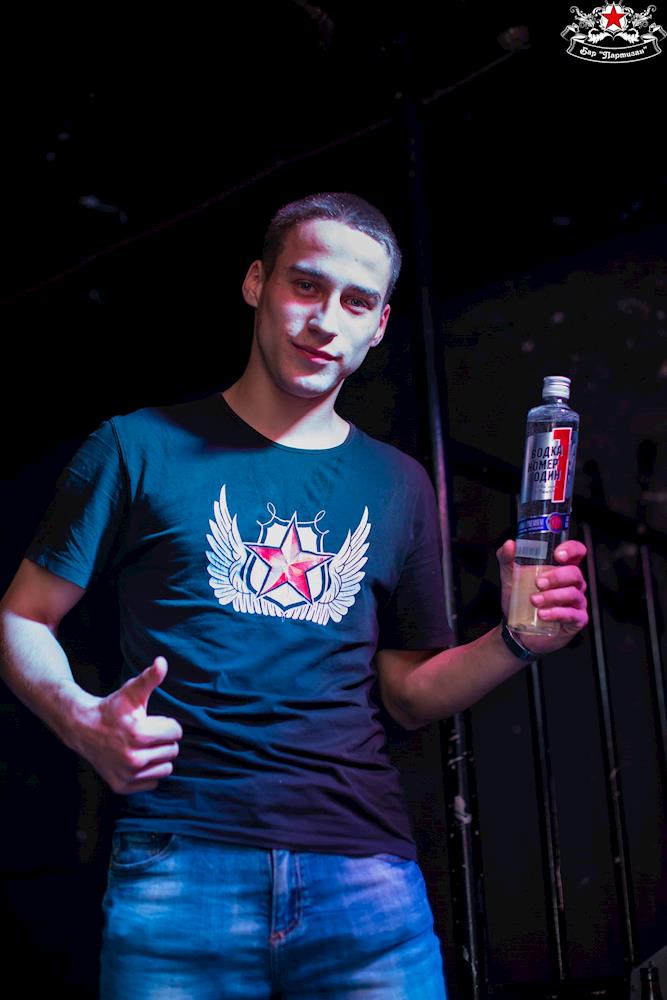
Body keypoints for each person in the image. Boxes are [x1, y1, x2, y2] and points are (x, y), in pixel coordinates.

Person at [0, 192, 588, 999]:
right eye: (305, 286)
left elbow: (406, 694)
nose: (324, 321)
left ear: (379, 325)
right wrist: (80, 720)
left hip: (367, 883)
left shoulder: (399, 484)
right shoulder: (134, 446)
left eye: (356, 302)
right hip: (179, 874)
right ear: (256, 283)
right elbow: (21, 615)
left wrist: (516, 638)